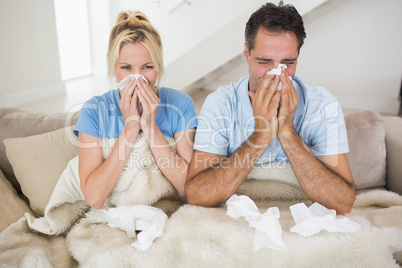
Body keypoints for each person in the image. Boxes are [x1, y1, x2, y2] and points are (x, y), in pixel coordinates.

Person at [185, 1, 355, 215]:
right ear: (247, 54)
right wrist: (261, 135)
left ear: (297, 58)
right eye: (264, 61)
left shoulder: (323, 105)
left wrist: (286, 130)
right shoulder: (220, 104)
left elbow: (343, 202)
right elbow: (198, 195)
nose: (276, 73)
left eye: (287, 62)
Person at [74, 11, 197, 209]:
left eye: (147, 67)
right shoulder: (94, 110)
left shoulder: (180, 103)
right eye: (126, 67)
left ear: (159, 64)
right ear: (111, 63)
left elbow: (187, 187)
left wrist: (150, 128)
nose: (137, 78)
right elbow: (94, 198)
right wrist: (130, 129)